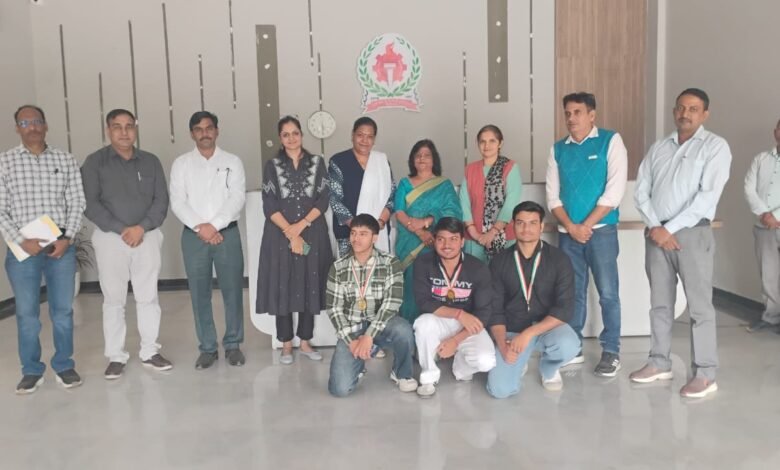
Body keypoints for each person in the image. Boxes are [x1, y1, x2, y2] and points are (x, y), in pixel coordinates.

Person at [632, 88, 731, 398]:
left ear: (704, 114)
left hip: (692, 234)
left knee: (699, 307)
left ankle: (705, 374)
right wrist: (656, 227)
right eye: (681, 108)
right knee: (660, 304)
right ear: (674, 111)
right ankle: (658, 362)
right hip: (656, 235)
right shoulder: (660, 147)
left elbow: (707, 197)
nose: (685, 113)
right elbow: (641, 190)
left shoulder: (715, 147)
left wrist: (668, 229)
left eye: (693, 108)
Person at [0, 105, 86, 394]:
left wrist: (68, 237)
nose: (32, 127)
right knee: (27, 314)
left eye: (37, 121)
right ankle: (31, 370)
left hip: (60, 246)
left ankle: (64, 365)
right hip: (22, 249)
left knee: (62, 311)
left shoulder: (65, 159)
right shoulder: (5, 162)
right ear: (17, 128)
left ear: (46, 125)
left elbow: (77, 201)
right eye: (25, 122)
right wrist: (21, 240)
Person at [82, 108, 172, 379]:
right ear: (108, 130)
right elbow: (90, 203)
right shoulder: (95, 162)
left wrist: (141, 228)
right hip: (111, 238)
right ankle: (116, 356)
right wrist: (123, 230)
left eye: (129, 126)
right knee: (113, 299)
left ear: (135, 129)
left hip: (147, 236)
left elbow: (161, 201)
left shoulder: (150, 162)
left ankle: (150, 351)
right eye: (117, 126)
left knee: (148, 296)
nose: (124, 132)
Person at [545, 92, 627, 376]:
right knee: (573, 293)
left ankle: (611, 351)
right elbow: (552, 197)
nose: (571, 118)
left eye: (577, 112)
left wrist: (585, 226)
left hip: (601, 233)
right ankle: (573, 347)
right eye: (567, 113)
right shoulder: (558, 150)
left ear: (592, 115)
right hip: (568, 235)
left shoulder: (610, 141)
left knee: (608, 293)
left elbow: (614, 192)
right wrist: (572, 227)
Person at [170, 111, 247, 370]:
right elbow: (177, 201)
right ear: (192, 133)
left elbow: (237, 197)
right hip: (193, 236)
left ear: (217, 131)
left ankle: (233, 344)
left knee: (232, 290)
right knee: (199, 292)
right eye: (199, 129)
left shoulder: (232, 161)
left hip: (227, 233)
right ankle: (207, 348)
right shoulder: (181, 164)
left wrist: (214, 226)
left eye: (209, 128)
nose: (205, 133)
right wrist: (201, 227)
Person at [256, 116, 333, 364]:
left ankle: (306, 342)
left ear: (301, 135)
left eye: (295, 133)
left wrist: (300, 227)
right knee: (283, 284)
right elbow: (269, 204)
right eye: (286, 134)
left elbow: (323, 199)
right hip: (280, 235)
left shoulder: (317, 163)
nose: (291, 138)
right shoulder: (272, 165)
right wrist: (291, 231)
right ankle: (287, 344)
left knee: (310, 282)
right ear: (280, 138)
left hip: (312, 232)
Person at [486, 201, 579, 398]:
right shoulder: (499, 261)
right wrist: (503, 345)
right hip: (512, 331)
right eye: (520, 223)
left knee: (569, 344)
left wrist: (528, 334)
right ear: (513, 225)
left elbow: (565, 308)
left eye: (532, 223)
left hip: (547, 328)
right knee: (500, 390)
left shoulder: (559, 259)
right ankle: (521, 360)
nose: (526, 228)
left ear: (541, 226)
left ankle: (549, 368)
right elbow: (495, 311)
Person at [325, 214, 418, 397]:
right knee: (339, 390)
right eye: (353, 233)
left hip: (382, 325)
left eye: (363, 234)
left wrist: (368, 336)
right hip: (353, 328)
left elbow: (392, 302)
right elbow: (334, 309)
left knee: (403, 329)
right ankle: (359, 361)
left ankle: (402, 373)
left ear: (374, 238)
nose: (356, 238)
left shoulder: (390, 263)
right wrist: (352, 342)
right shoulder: (338, 267)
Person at [412, 217, 496, 397]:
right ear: (434, 240)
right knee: (422, 323)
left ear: (462, 241)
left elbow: (483, 313)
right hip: (439, 319)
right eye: (441, 239)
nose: (447, 245)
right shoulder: (423, 263)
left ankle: (460, 367)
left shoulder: (478, 268)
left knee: (486, 361)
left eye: (453, 239)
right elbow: (423, 302)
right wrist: (458, 314)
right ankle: (428, 377)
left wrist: (456, 340)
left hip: (468, 324)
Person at [394, 139, 461, 322]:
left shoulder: (444, 185)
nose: (422, 158)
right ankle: (409, 330)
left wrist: (427, 221)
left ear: (434, 159)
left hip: (437, 243)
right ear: (412, 160)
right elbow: (399, 212)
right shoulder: (404, 183)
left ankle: (434, 329)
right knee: (411, 285)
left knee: (434, 285)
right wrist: (420, 232)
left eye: (426, 155)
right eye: (418, 155)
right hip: (409, 244)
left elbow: (453, 212)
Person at [328, 117, 396, 257]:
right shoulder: (338, 161)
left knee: (377, 269)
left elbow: (391, 195)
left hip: (378, 232)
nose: (365, 140)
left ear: (374, 139)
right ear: (352, 135)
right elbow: (335, 199)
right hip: (349, 233)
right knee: (350, 270)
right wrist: (358, 228)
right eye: (360, 135)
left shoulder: (382, 161)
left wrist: (380, 222)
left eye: (369, 136)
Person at [460, 124, 522, 263]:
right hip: (474, 238)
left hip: (504, 237)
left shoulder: (510, 167)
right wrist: (474, 233)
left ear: (500, 143)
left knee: (503, 274)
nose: (487, 145)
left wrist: (492, 232)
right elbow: (464, 202)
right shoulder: (470, 169)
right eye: (482, 141)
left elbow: (511, 203)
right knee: (475, 274)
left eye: (492, 141)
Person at [744, 118, 780, 333]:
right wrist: (764, 214)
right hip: (763, 227)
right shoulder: (761, 159)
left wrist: (774, 215)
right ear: (775, 132)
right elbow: (749, 188)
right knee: (768, 274)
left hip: (772, 221)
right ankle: (771, 317)